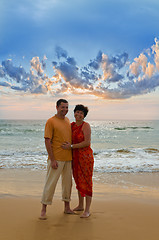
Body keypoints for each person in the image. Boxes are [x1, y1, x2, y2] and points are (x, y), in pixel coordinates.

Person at [40, 99, 74, 220]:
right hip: (56, 159)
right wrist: (53, 159)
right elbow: (47, 140)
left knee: (67, 185)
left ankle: (67, 207)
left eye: (67, 107)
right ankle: (43, 210)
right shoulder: (51, 121)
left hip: (68, 159)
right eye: (62, 107)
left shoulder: (68, 120)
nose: (65, 109)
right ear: (57, 107)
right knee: (50, 184)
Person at [62, 104, 94, 218]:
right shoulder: (71, 125)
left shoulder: (86, 126)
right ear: (74, 113)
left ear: (84, 116)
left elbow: (86, 142)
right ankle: (80, 205)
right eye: (77, 112)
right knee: (78, 181)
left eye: (81, 113)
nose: (79, 114)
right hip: (75, 157)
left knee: (87, 181)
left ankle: (87, 210)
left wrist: (70, 146)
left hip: (85, 157)